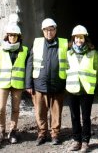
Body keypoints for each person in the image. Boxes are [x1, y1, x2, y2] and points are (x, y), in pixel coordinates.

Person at [25, 18, 69, 146]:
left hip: (58, 84)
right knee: (40, 111)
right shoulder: (37, 43)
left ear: (55, 30)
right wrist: (28, 84)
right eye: (46, 30)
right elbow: (30, 63)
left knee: (56, 112)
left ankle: (55, 134)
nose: (49, 32)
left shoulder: (64, 43)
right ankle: (42, 134)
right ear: (42, 31)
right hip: (40, 84)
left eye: (51, 29)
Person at [0, 23, 29, 144]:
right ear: (7, 36)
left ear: (18, 36)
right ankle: (1, 132)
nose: (12, 37)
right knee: (1, 108)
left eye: (14, 35)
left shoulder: (25, 50)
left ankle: (12, 132)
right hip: (3, 83)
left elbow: (27, 67)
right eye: (10, 35)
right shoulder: (0, 49)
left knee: (15, 109)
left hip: (17, 84)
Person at [66, 25, 98, 152]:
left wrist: (93, 86)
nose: (79, 40)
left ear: (85, 38)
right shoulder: (68, 53)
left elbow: (97, 72)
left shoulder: (93, 53)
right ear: (73, 38)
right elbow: (65, 70)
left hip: (86, 90)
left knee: (86, 117)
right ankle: (76, 140)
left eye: (81, 37)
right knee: (74, 116)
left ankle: (85, 141)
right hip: (72, 89)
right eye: (76, 37)